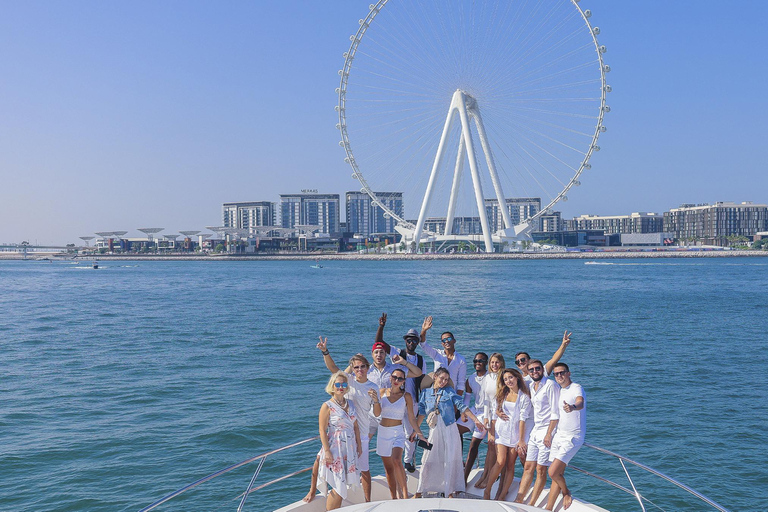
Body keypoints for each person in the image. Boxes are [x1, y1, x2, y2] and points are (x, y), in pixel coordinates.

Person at [304, 338, 379, 503]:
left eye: (363, 366)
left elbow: (376, 413)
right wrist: (325, 351)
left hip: (358, 435)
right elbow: (334, 370)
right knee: (320, 460)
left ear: (368, 367)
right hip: (338, 437)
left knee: (363, 470)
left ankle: (367, 501)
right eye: (356, 367)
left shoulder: (371, 387)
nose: (359, 369)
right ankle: (312, 490)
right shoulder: (348, 382)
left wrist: (376, 400)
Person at [415, 367, 484, 498]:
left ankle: (450, 491)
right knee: (427, 460)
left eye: (446, 380)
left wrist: (475, 420)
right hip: (434, 430)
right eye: (441, 378)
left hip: (449, 428)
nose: (444, 382)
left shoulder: (449, 391)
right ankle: (420, 490)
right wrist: (416, 431)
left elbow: (462, 406)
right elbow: (422, 413)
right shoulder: (425, 393)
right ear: (435, 377)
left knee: (450, 459)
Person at [375, 312, 428, 473]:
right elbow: (379, 342)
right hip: (396, 398)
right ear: (405, 341)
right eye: (409, 340)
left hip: (412, 400)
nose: (411, 342)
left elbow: (422, 379)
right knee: (399, 431)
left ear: (418, 343)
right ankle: (398, 460)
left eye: (414, 340)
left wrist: (424, 402)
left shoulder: (421, 360)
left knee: (410, 432)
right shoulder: (397, 353)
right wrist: (381, 326)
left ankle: (407, 461)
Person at [514, 358, 560, 506]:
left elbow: (555, 412)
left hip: (547, 431)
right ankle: (519, 499)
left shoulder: (550, 385)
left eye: (537, 369)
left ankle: (532, 503)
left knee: (541, 469)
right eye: (532, 369)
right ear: (528, 371)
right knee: (528, 467)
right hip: (535, 431)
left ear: (542, 369)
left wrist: (549, 434)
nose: (535, 371)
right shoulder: (532, 387)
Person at [376, 368, 427, 499]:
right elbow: (375, 413)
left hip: (397, 432)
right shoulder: (381, 393)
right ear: (390, 378)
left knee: (397, 460)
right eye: (394, 377)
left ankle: (404, 496)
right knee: (388, 469)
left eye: (400, 378)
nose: (397, 380)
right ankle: (394, 497)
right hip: (382, 433)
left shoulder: (406, 396)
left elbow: (411, 418)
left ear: (404, 381)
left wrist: (419, 434)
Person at [315, 371, 363, 510]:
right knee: (338, 484)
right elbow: (322, 430)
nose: (340, 387)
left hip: (350, 447)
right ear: (332, 386)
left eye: (343, 384)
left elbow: (356, 426)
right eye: (338, 384)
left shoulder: (351, 404)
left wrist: (359, 445)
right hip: (335, 449)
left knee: (343, 484)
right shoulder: (327, 406)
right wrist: (327, 451)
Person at [482, 368, 532, 500]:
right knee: (500, 462)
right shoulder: (502, 394)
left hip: (515, 434)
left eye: (510, 377)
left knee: (510, 466)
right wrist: (492, 432)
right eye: (505, 379)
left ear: (517, 378)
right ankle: (487, 490)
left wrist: (521, 440)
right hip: (502, 432)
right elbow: (495, 411)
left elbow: (522, 420)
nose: (508, 381)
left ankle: (503, 494)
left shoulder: (524, 397)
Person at [546, 363, 586, 511]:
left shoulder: (576, 387)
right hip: (559, 435)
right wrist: (549, 434)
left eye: (562, 373)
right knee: (556, 474)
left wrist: (573, 407)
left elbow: (580, 402)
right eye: (556, 374)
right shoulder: (558, 391)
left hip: (573, 437)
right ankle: (549, 508)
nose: (559, 376)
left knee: (553, 472)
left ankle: (566, 492)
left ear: (569, 373)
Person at [473, 352, 506, 489]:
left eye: (497, 362)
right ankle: (485, 475)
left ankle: (491, 478)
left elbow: (504, 398)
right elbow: (486, 399)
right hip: (491, 416)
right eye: (492, 362)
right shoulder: (488, 378)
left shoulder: (503, 377)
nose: (494, 365)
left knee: (496, 447)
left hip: (500, 416)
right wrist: (486, 416)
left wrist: (497, 412)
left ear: (501, 363)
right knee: (490, 446)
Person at [418, 316, 467, 396]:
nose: (446, 341)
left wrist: (456, 403)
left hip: (451, 396)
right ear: (442, 344)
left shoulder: (461, 360)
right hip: (435, 394)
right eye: (444, 340)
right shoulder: (437, 354)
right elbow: (423, 344)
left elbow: (461, 384)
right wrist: (424, 330)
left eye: (449, 339)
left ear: (454, 341)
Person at [461, 352, 489, 482]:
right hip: (474, 411)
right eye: (475, 361)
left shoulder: (491, 377)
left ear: (486, 363)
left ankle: (464, 478)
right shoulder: (470, 379)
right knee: (455, 429)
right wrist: (463, 413)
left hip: (487, 414)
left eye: (481, 361)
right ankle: (459, 462)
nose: (478, 363)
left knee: (473, 445)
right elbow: (467, 399)